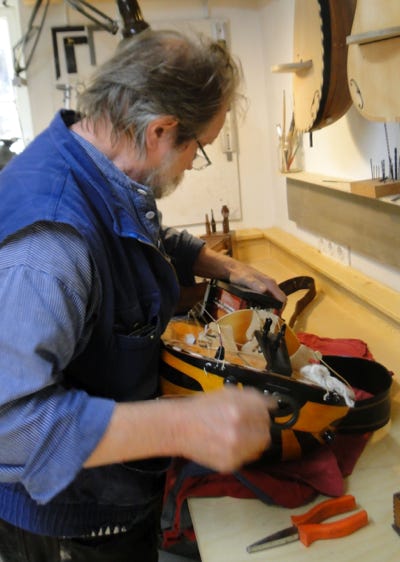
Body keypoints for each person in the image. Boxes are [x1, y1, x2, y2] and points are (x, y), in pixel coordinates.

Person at [0, 28, 286, 561]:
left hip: (118, 494)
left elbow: (128, 229)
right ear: (159, 131)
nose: (192, 164)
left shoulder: (92, 162)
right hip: (71, 528)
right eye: (199, 148)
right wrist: (182, 424)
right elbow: (10, 426)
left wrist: (217, 263)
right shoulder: (50, 248)